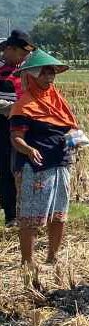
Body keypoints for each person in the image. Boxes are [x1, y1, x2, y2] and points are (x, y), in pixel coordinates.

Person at [8, 49, 79, 266]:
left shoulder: (59, 102)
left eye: (52, 73)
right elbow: (16, 138)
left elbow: (71, 129)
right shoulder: (24, 105)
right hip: (35, 167)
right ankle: (28, 261)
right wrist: (28, 149)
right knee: (30, 217)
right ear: (32, 76)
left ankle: (53, 256)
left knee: (59, 214)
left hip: (61, 163)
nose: (49, 78)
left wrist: (74, 140)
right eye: (44, 73)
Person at [0, 30, 34, 225]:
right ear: (10, 49)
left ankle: (29, 211)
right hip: (3, 123)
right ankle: (11, 215)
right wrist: (11, 108)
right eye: (21, 54)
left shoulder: (25, 69)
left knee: (24, 166)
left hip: (25, 122)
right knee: (6, 168)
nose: (23, 58)